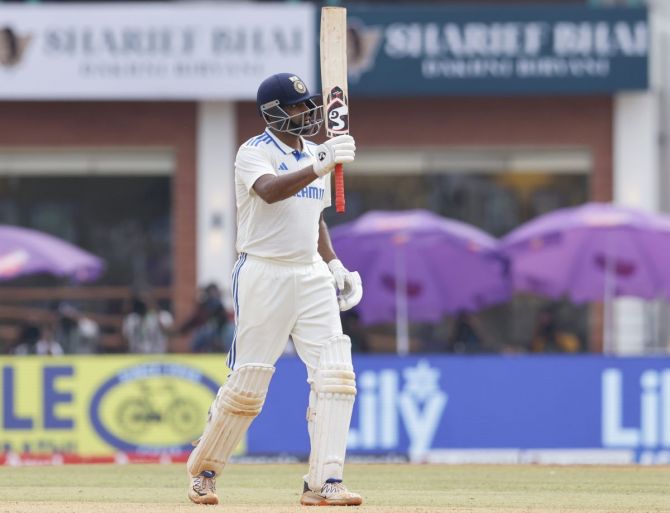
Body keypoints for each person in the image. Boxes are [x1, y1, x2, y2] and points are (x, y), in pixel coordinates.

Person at [186, 72, 363, 506]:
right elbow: (269, 193)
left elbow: (315, 217)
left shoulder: (314, 153)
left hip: (311, 274)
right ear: (274, 112)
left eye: (309, 104)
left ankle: (325, 482)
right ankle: (205, 471)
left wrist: (334, 262)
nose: (309, 113)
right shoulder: (253, 153)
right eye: (300, 106)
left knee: (336, 374)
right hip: (263, 272)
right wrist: (320, 164)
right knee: (249, 382)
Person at [178, 283, 229, 353]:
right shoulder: (203, 305)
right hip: (207, 332)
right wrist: (182, 330)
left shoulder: (217, 305)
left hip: (220, 331)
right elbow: (194, 320)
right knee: (202, 333)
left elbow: (217, 312)